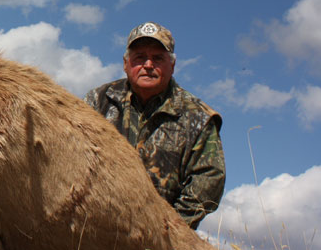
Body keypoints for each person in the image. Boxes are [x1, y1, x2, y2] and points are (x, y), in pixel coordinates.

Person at [84, 22, 225, 229]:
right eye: (139, 57)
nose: (148, 64)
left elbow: (209, 179)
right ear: (126, 63)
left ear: (172, 65)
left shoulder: (199, 116)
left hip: (162, 235)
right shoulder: (97, 101)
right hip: (95, 225)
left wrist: (170, 228)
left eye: (158, 58)